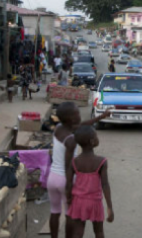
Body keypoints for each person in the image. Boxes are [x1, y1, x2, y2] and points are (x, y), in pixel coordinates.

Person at [47, 102, 110, 238]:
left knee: (55, 211)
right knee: (71, 215)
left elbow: (83, 125)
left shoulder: (59, 128)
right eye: (77, 114)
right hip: (64, 179)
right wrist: (69, 190)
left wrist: (101, 117)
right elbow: (68, 166)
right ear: (70, 118)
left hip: (52, 178)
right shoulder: (71, 139)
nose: (80, 116)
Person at [66, 125, 114, 238]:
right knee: (99, 232)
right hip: (95, 202)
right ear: (92, 141)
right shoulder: (101, 161)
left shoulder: (74, 162)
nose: (98, 138)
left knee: (78, 232)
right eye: (96, 136)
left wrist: (69, 201)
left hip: (78, 201)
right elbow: (105, 185)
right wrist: (109, 207)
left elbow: (68, 184)